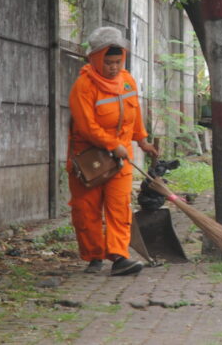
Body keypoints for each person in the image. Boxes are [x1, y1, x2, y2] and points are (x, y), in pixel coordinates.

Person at [67, 26, 158, 275]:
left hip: (121, 158)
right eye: (108, 62)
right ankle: (94, 257)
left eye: (118, 62)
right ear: (95, 59)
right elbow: (87, 127)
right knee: (87, 210)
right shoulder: (83, 87)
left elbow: (133, 114)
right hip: (88, 160)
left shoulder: (127, 81)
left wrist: (142, 140)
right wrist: (112, 145)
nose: (114, 67)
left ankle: (119, 257)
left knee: (119, 207)